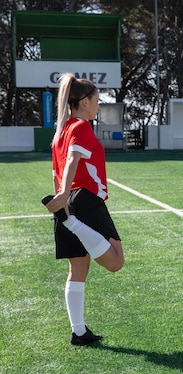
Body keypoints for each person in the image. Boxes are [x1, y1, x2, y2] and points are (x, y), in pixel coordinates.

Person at [42, 73, 125, 346]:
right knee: (115, 262)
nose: (98, 106)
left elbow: (56, 169)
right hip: (85, 200)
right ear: (85, 101)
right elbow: (72, 161)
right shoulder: (80, 127)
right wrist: (66, 198)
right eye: (97, 100)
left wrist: (60, 198)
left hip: (68, 202)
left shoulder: (60, 132)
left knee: (78, 268)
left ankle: (78, 332)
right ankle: (71, 223)